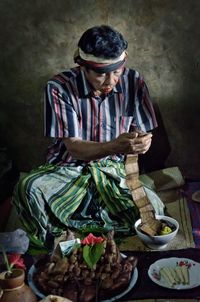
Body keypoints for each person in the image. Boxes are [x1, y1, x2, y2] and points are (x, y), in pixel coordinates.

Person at [13, 25, 164, 253]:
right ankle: (66, 236)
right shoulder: (59, 87)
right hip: (67, 169)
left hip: (112, 170)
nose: (110, 81)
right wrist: (115, 145)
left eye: (116, 71)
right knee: (28, 189)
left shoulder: (134, 81)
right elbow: (74, 149)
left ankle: (89, 226)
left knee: (154, 209)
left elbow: (142, 133)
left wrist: (142, 142)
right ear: (82, 66)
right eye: (101, 73)